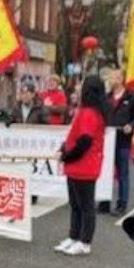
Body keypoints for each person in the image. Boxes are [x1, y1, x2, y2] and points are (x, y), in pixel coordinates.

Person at [55, 75, 108, 257]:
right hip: (77, 165)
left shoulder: (89, 113)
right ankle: (74, 236)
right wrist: (64, 150)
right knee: (76, 205)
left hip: (83, 165)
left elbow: (84, 141)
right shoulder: (87, 111)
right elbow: (75, 136)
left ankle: (84, 241)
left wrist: (66, 155)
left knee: (85, 206)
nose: (78, 89)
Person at [107, 70, 134, 215]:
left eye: (113, 77)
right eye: (110, 77)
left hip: (123, 140)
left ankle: (122, 204)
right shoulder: (107, 97)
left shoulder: (132, 97)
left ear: (121, 79)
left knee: (122, 173)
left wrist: (131, 125)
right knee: (106, 173)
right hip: (108, 140)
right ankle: (105, 201)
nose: (111, 80)